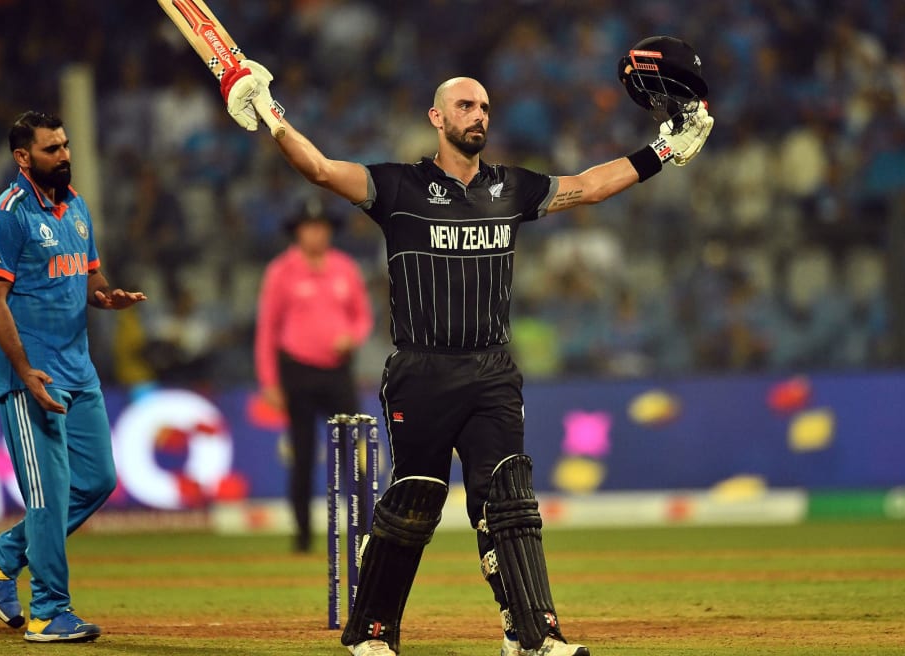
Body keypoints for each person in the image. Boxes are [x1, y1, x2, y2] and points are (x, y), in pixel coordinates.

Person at [219, 35, 713, 656]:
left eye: (484, 108)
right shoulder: (396, 188)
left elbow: (588, 186)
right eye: (465, 107)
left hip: (492, 371)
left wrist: (662, 150)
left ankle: (533, 637)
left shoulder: (510, 188)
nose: (478, 115)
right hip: (421, 371)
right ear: (437, 118)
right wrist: (270, 113)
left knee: (509, 497)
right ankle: (371, 634)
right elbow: (320, 169)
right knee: (415, 500)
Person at [0, 111, 146, 643]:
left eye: (65, 146)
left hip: (80, 373)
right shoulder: (6, 217)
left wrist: (106, 295)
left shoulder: (76, 207)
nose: (64, 156)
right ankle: (47, 612)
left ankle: (0, 556)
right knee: (47, 496)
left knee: (97, 481)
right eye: (51, 150)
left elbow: (87, 275)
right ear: (23, 158)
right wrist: (23, 370)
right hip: (33, 377)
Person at [254, 206, 373, 552]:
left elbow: (363, 316)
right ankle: (303, 535)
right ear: (298, 232)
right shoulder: (281, 271)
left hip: (338, 371)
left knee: (353, 451)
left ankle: (365, 531)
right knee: (303, 455)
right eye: (309, 228)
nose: (316, 234)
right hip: (298, 371)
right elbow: (267, 330)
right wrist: (269, 381)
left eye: (322, 227)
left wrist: (352, 336)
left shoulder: (345, 268)